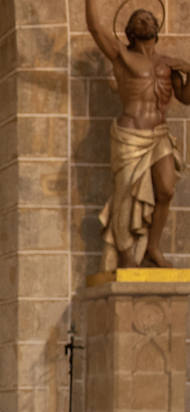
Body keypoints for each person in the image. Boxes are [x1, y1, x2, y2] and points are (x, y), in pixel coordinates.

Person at [86, 0, 190, 268]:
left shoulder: (168, 65)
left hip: (159, 134)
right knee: (124, 195)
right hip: (130, 135)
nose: (145, 20)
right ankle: (125, 254)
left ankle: (152, 247)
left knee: (166, 189)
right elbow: (96, 28)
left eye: (148, 18)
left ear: (157, 29)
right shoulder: (122, 56)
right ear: (130, 32)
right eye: (139, 18)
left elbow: (186, 98)